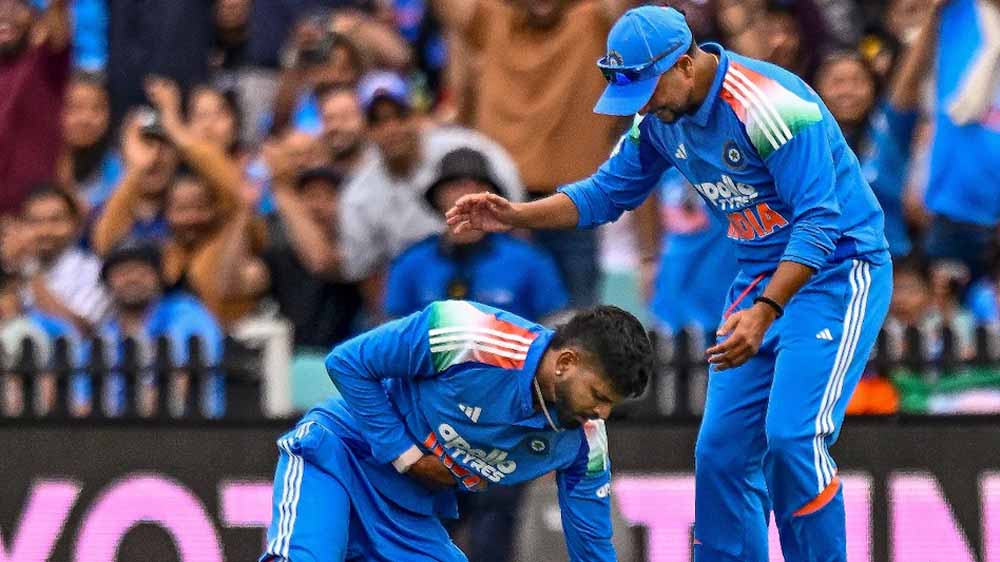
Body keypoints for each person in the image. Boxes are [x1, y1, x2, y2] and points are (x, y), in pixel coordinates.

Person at [447, 6, 893, 561]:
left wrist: (766, 309)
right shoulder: (660, 118)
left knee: (792, 438)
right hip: (758, 278)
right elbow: (605, 194)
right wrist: (517, 214)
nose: (643, 107)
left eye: (649, 90)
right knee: (722, 453)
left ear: (684, 64)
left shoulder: (771, 105)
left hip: (836, 273)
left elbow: (820, 221)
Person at [259, 300, 654, 562]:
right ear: (565, 362)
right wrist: (408, 457)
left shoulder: (585, 439)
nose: (602, 414)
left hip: (406, 512)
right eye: (598, 395)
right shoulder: (467, 333)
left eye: (611, 405)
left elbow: (591, 542)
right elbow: (348, 363)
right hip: (339, 457)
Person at [433, 0, 628, 307]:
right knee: (497, 323)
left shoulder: (595, 21)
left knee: (580, 323)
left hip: (573, 207)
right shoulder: (491, 20)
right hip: (500, 207)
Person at [387, 147, 568, 322]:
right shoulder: (410, 263)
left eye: (478, 186)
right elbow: (392, 331)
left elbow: (555, 325)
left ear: (493, 198)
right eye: (456, 185)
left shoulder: (530, 261)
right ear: (437, 196)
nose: (468, 193)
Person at [0, 0, 72, 215]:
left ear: (34, 16)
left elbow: (58, 15)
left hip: (35, 218)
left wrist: (55, 8)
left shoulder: (45, 65)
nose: (5, 14)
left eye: (16, 6)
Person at [58, 72, 123, 212]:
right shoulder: (34, 163)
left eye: (97, 108)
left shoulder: (121, 165)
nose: (86, 118)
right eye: (74, 107)